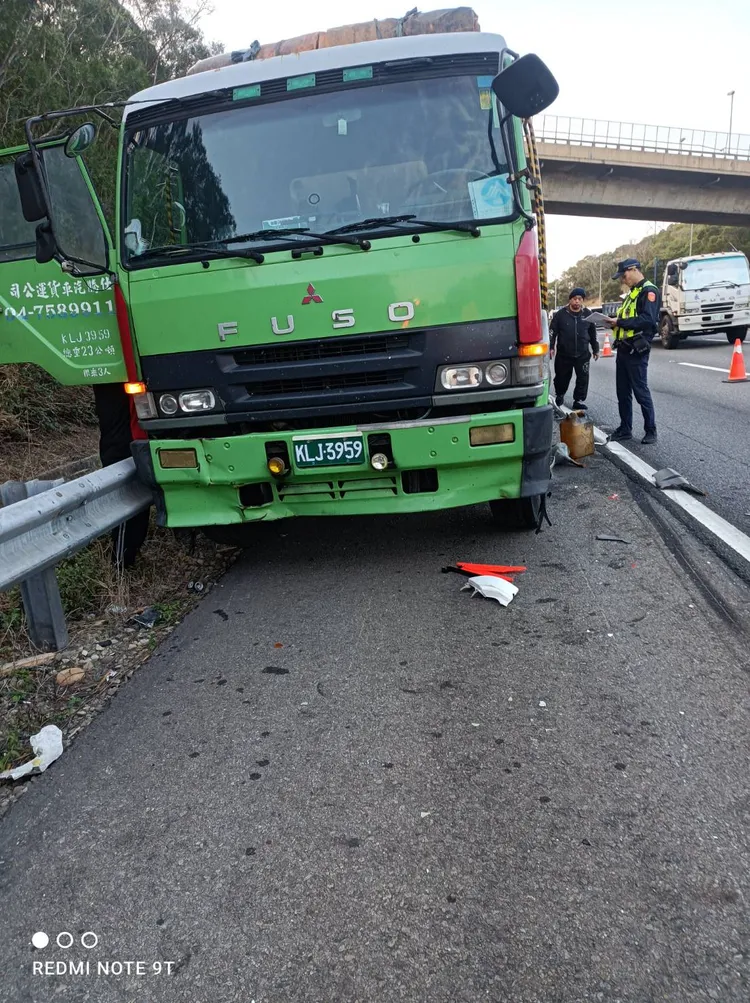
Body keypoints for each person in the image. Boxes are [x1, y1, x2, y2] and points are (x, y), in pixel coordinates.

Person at [603, 258, 659, 444]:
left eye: (624, 275)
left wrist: (619, 322)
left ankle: (651, 430)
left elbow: (647, 320)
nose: (622, 280)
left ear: (634, 269)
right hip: (624, 349)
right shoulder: (632, 293)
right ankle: (625, 428)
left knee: (640, 391)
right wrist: (614, 323)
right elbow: (628, 319)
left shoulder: (649, 291)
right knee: (623, 391)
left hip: (637, 349)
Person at [549, 287, 599, 410]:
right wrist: (551, 347)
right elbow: (552, 332)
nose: (577, 301)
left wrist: (596, 348)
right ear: (570, 300)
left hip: (582, 353)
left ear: (582, 300)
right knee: (561, 377)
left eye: (580, 299)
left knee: (583, 378)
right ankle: (560, 395)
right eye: (575, 299)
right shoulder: (560, 315)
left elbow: (593, 333)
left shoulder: (588, 314)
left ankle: (578, 400)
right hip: (564, 354)